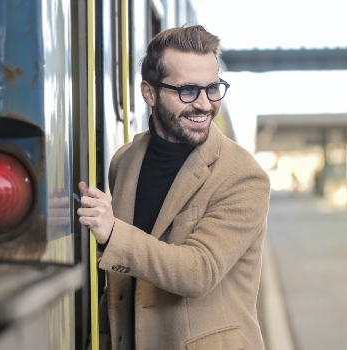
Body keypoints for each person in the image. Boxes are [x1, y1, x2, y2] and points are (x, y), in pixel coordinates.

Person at [78, 25, 270, 350]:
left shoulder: (244, 177)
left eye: (213, 88)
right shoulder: (124, 162)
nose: (205, 104)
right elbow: (126, 278)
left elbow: (199, 272)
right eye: (188, 91)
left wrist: (112, 232)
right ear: (149, 93)